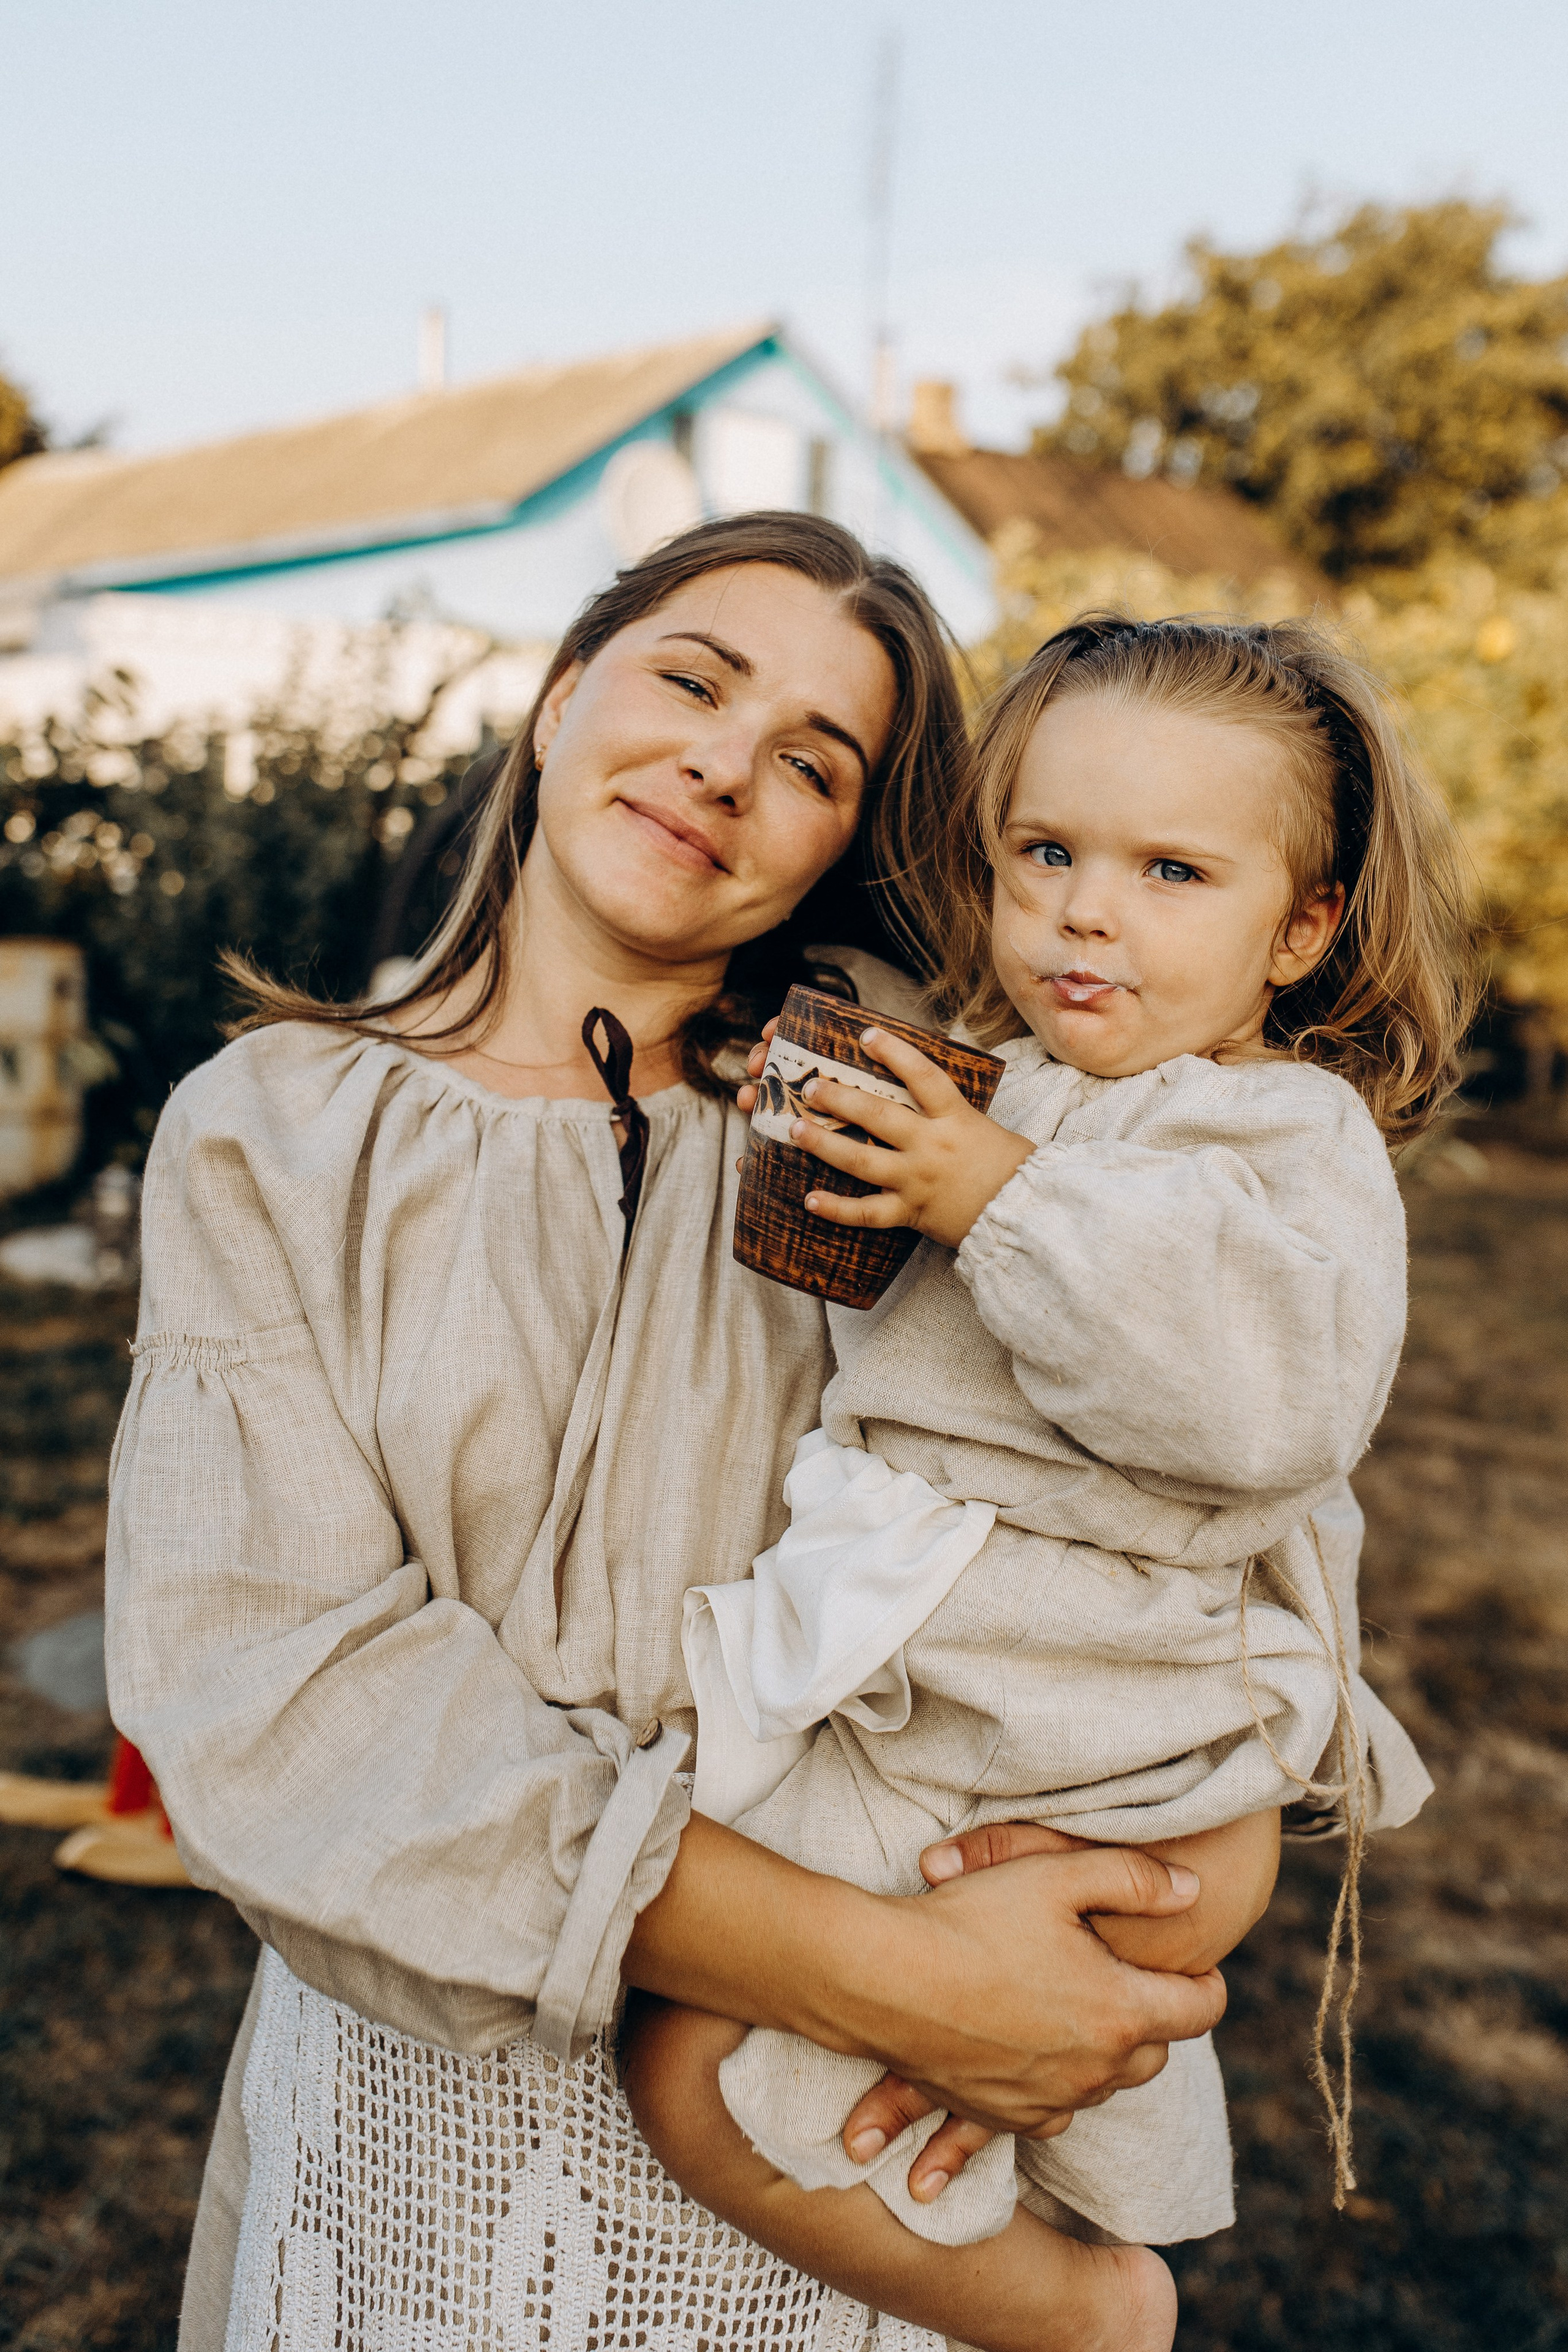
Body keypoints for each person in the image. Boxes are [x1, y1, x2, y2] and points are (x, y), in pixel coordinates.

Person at [104, 525, 1234, 2352]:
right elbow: (280, 1691)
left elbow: (1155, 1455)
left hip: (833, 2156)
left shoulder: (903, 1116)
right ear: (562, 699)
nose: (723, 765)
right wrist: (906, 1978)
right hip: (426, 2128)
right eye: (693, 682)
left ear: (840, 851)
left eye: (813, 762)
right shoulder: (279, 1131)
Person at [622, 615, 1474, 2352]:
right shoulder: (994, 1083)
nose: (1089, 912)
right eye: (1048, 853)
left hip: (1064, 1699)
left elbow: (1266, 1403)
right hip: (936, 1676)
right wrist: (834, 1136)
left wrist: (996, 1196)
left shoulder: (1282, 1136)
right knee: (769, 2022)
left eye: (1172, 871)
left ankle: (1083, 2313)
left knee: (691, 2058)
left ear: (1301, 928)